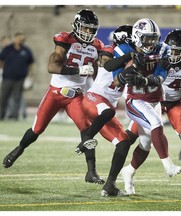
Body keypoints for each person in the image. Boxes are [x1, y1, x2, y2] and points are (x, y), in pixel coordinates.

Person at [2, 9, 105, 184]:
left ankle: (91, 172)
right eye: (85, 28)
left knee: (87, 131)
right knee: (37, 129)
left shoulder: (97, 46)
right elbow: (53, 66)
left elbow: (105, 64)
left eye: (91, 29)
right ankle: (19, 149)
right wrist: (78, 70)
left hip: (76, 96)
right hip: (56, 93)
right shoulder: (65, 40)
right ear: (77, 25)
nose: (88, 32)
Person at [120, 29, 181, 195]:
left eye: (177, 51)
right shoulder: (158, 54)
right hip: (152, 101)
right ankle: (117, 175)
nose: (173, 54)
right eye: (171, 50)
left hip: (176, 101)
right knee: (129, 139)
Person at [108, 18, 181, 192]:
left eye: (153, 38)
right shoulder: (124, 50)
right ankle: (168, 165)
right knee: (156, 124)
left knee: (146, 144)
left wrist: (144, 79)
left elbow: (160, 76)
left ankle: (128, 172)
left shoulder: (162, 49)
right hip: (136, 100)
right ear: (137, 36)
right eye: (147, 38)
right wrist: (126, 74)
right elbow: (116, 80)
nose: (151, 43)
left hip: (154, 99)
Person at [75, 24, 134, 196]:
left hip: (106, 105)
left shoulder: (133, 56)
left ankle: (110, 185)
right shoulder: (111, 49)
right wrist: (130, 56)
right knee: (108, 112)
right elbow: (108, 65)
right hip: (94, 98)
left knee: (123, 142)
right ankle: (86, 139)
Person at [0, 32, 34, 120]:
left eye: (22, 39)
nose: (20, 40)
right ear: (15, 39)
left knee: (17, 98)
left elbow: (31, 63)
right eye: (18, 38)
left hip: (20, 78)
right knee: (4, 97)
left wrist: (31, 74)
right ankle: (1, 115)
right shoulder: (8, 49)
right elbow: (1, 60)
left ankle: (14, 116)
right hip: (7, 77)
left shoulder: (26, 50)